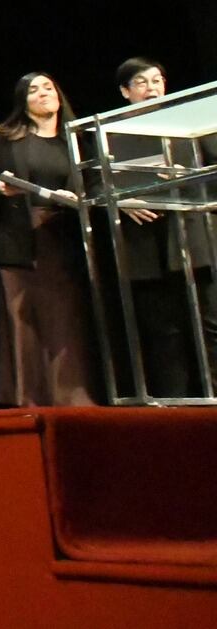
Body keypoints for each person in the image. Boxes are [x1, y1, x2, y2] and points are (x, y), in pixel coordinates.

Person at [0, 71, 96, 406]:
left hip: (62, 237)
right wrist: (0, 188)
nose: (43, 93)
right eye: (33, 90)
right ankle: (28, 398)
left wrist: (78, 197)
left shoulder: (76, 140)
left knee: (64, 318)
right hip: (19, 237)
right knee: (23, 319)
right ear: (23, 101)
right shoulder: (5, 138)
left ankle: (71, 395)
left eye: (48, 87)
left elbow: (94, 183)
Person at [101, 57, 210, 398]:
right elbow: (94, 183)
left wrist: (186, 177)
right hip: (145, 246)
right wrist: (122, 199)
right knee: (164, 334)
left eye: (157, 80)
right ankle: (175, 405)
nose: (152, 88)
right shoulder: (111, 132)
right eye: (142, 82)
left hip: (193, 239)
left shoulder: (189, 123)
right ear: (125, 91)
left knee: (210, 324)